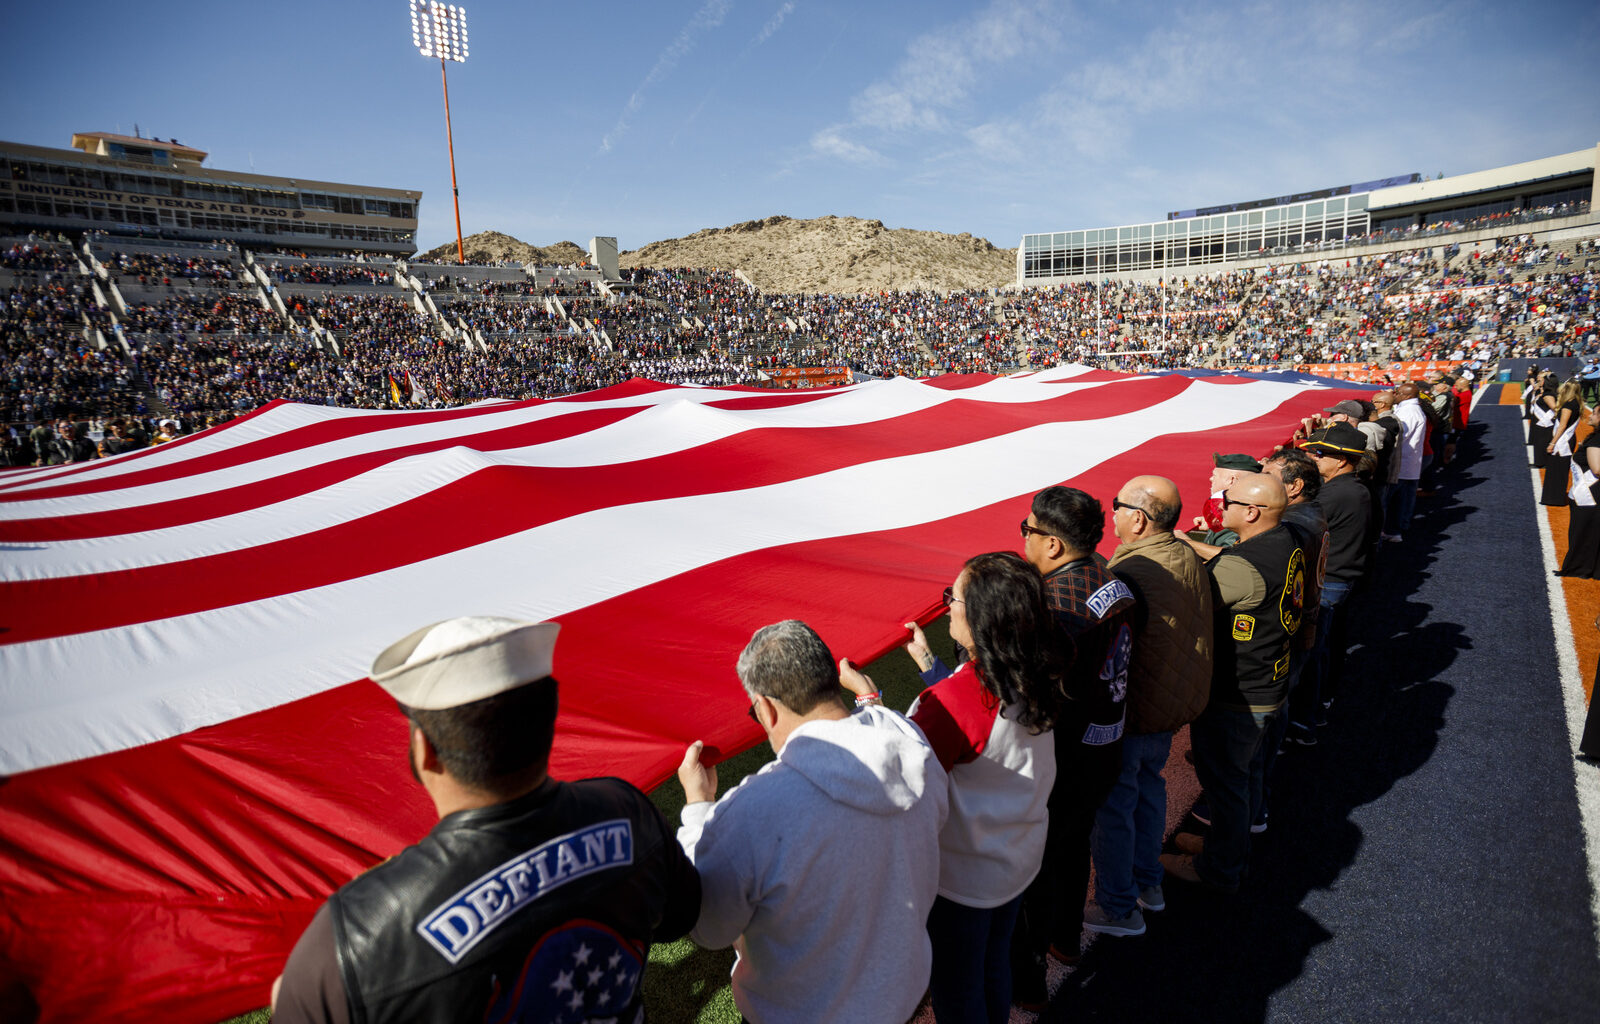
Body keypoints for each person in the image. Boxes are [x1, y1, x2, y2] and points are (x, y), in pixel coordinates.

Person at [272, 616, 700, 1024]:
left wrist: (295, 993)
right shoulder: (627, 812)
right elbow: (683, 915)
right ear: (550, 724)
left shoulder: (353, 934)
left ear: (425, 750)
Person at [676, 620, 948, 1024]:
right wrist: (871, 703)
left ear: (766, 709)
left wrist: (698, 807)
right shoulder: (908, 739)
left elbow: (708, 925)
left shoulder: (754, 809)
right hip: (901, 991)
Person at [899, 551, 1063, 1024]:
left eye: (954, 597)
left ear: (981, 616)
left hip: (963, 879)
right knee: (993, 964)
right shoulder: (1036, 665)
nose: (948, 605)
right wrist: (930, 664)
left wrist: (870, 701)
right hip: (1016, 857)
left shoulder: (954, 701)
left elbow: (901, 774)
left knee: (956, 986)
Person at [1010, 487, 1136, 1002]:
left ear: (1055, 545)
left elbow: (1029, 692)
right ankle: (1066, 938)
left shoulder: (1055, 606)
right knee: (1075, 841)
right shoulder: (1112, 579)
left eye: (1029, 529)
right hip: (1106, 742)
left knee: (1038, 867)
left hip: (1064, 755)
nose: (1024, 537)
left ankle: (1030, 978)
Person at [1163, 474, 1305, 895]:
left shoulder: (1245, 567)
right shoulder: (1283, 539)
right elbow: (1233, 564)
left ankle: (1218, 866)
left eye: (1227, 500)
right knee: (1247, 776)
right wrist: (1191, 544)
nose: (1220, 505)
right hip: (1271, 680)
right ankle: (1229, 844)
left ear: (1251, 511)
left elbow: (1188, 599)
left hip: (1238, 693)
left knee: (1225, 784)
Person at [1087, 476, 1212, 937]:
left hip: (1136, 711)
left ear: (1137, 518)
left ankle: (1119, 907)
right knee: (1148, 788)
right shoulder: (1180, 552)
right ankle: (1148, 884)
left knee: (1115, 807)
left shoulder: (1133, 571)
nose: (1112, 514)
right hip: (1169, 706)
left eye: (1116, 505)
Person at [1289, 422, 1371, 744]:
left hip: (1328, 583)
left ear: (1340, 460)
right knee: (1321, 650)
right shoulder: (1355, 488)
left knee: (1307, 655)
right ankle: (1316, 708)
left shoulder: (1334, 494)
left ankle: (1304, 721)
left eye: (1320, 454)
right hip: (1342, 579)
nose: (1315, 459)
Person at [1558, 406, 1600, 579]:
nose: (1591, 415)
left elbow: (1597, 469)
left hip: (1590, 496)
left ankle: (1580, 568)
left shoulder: (1597, 440)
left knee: (1584, 532)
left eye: (1596, 413)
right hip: (1590, 495)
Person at [1542, 378, 1583, 507]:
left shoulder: (1568, 406)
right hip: (1568, 439)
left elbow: (1562, 426)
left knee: (1556, 469)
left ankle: (1553, 498)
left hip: (1562, 441)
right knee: (1560, 469)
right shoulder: (1576, 403)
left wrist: (1552, 443)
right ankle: (1555, 496)